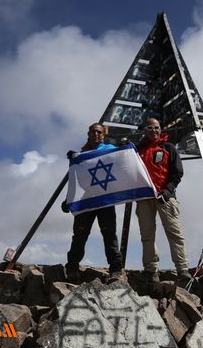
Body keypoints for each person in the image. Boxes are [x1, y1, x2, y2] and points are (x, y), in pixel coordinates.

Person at [61, 123, 124, 282]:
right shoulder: (82, 155)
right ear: (88, 134)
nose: (96, 134)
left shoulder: (110, 149)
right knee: (80, 235)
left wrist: (125, 151)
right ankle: (72, 268)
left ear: (103, 135)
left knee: (109, 235)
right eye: (93, 131)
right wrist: (68, 200)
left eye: (99, 132)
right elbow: (78, 181)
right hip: (87, 199)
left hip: (105, 200)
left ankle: (116, 270)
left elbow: (122, 166)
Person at [135, 118, 191, 283]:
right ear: (145, 130)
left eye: (156, 127)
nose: (153, 130)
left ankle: (183, 269)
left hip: (165, 197)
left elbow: (177, 172)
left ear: (161, 129)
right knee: (147, 234)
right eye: (150, 127)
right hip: (144, 198)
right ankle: (150, 270)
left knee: (175, 233)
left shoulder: (169, 147)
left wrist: (167, 191)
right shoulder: (137, 150)